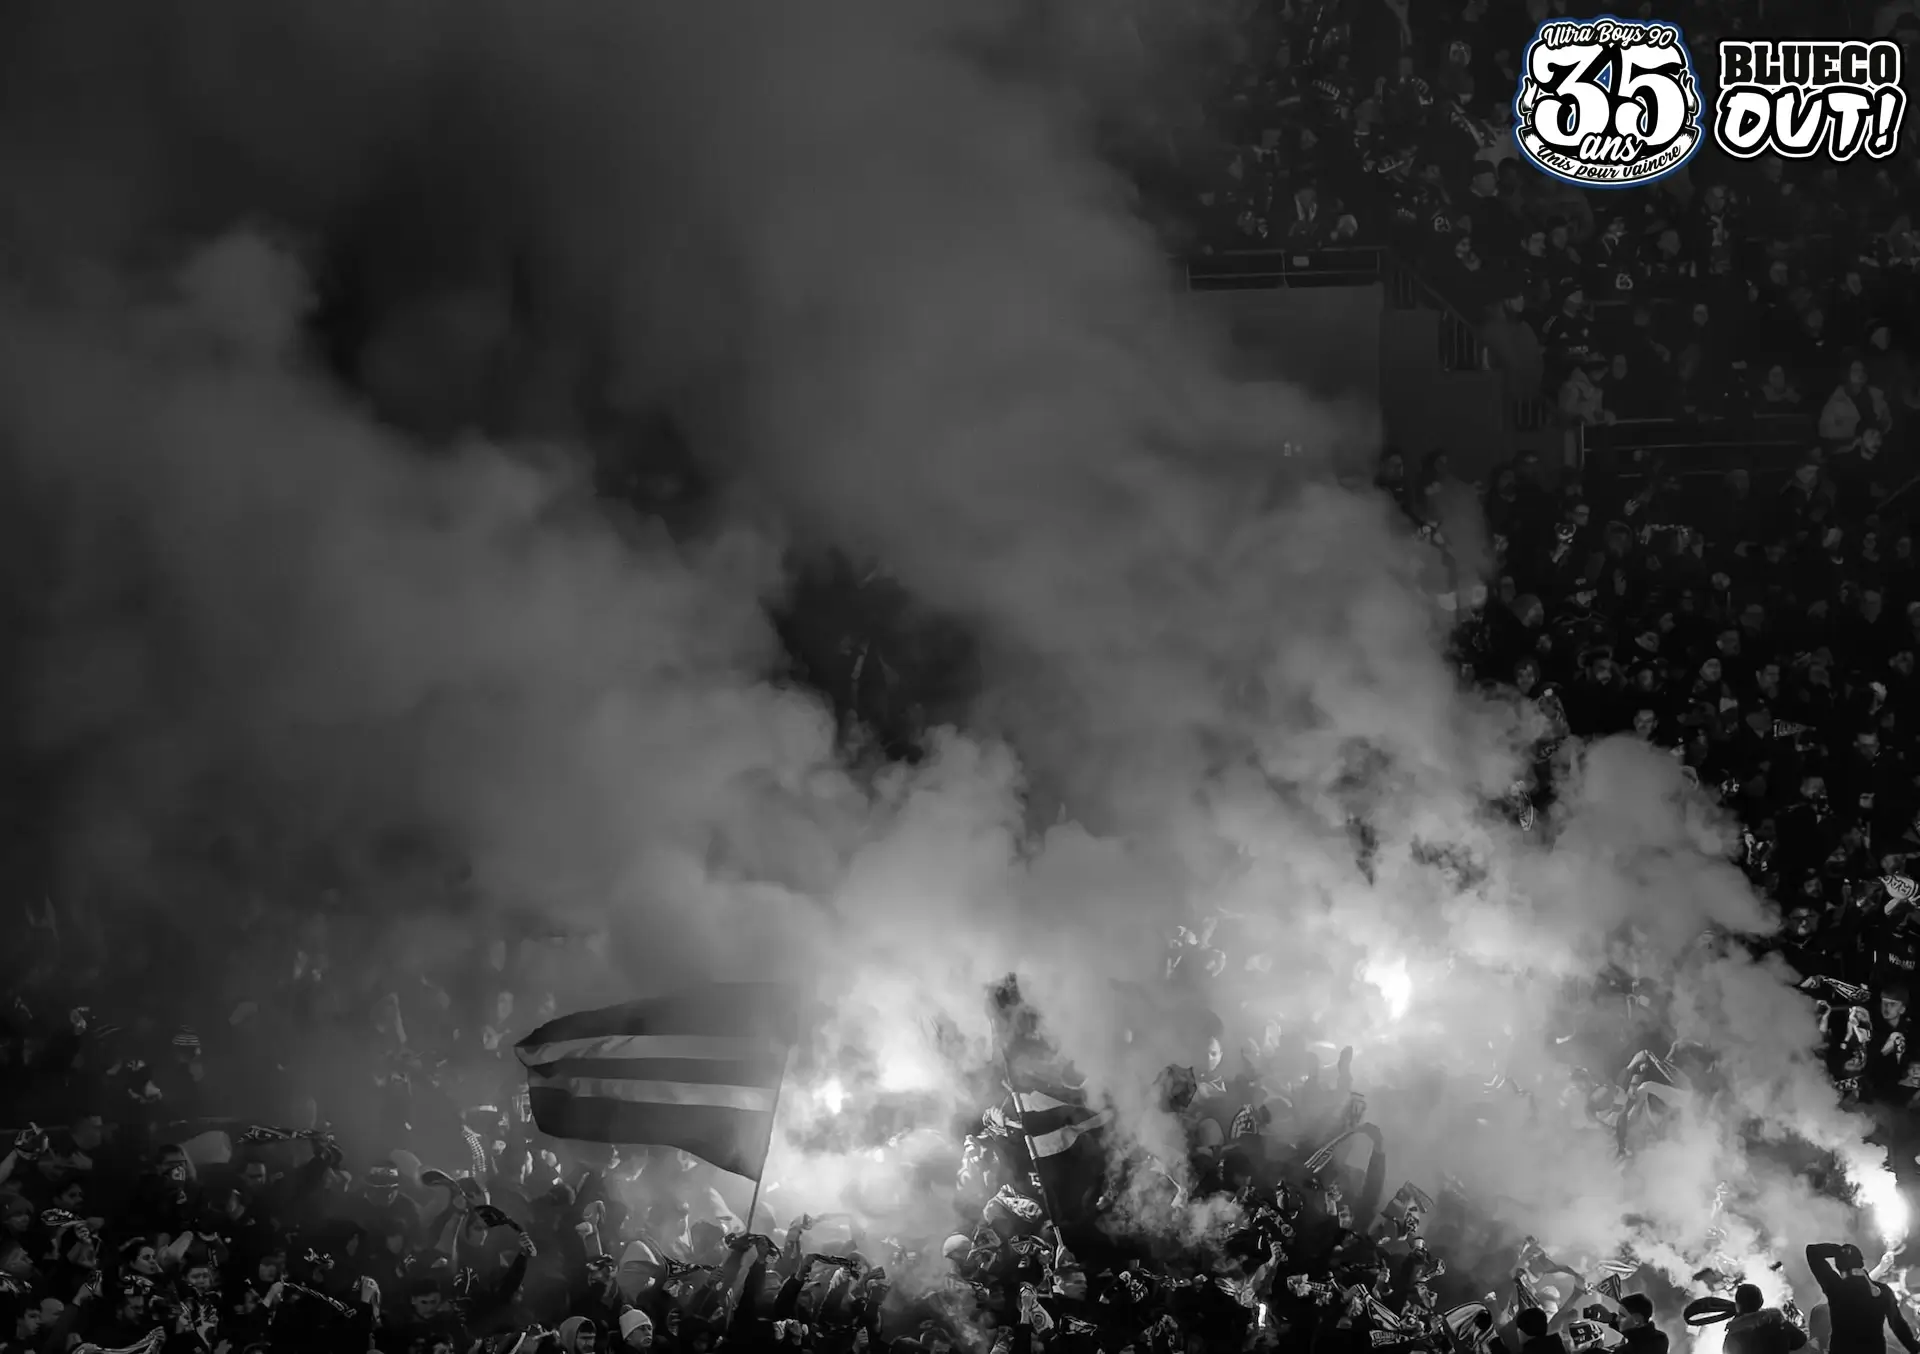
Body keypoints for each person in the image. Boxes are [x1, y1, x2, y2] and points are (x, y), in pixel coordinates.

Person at [1806, 1242, 1920, 1354]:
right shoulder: (1883, 1291)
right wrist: (1915, 1348)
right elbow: (1898, 1326)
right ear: (1861, 1263)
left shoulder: (1835, 1287)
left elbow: (1812, 1251)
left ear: (1839, 1266)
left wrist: (1838, 1250)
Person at [1724, 1283, 1806, 1354]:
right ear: (1761, 1302)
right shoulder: (1778, 1323)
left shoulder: (1731, 1339)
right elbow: (1802, 1342)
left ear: (1737, 1305)